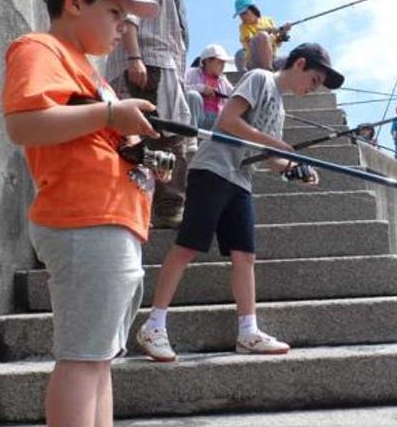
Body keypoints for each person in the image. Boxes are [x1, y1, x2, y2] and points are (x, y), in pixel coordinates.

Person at [1, 0, 161, 426]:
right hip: (85, 222)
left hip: (113, 223)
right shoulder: (39, 48)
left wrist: (140, 152)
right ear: (74, 2)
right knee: (81, 358)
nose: (123, 27)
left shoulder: (92, 75)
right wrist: (111, 114)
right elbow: (24, 123)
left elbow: (93, 135)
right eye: (115, 12)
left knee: (99, 358)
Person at [136, 43, 345, 362]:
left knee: (244, 255)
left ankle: (248, 332)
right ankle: (153, 325)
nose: (312, 88)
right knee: (188, 247)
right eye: (314, 80)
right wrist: (276, 144)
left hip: (240, 180)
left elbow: (272, 160)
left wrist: (295, 171)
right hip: (212, 170)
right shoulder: (260, 78)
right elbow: (229, 121)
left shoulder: (281, 107)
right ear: (299, 64)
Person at [105, 0, 209, 229]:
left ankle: (161, 205)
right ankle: (167, 207)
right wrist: (134, 58)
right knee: (162, 135)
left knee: (166, 135)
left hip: (163, 67)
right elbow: (129, 16)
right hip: (148, 64)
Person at [233, 0, 291, 71]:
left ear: (253, 9)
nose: (242, 17)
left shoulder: (269, 20)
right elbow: (250, 42)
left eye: (244, 13)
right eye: (240, 15)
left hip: (272, 59)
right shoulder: (243, 27)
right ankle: (268, 72)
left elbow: (277, 44)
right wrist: (268, 31)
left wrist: (283, 32)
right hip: (254, 62)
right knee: (263, 35)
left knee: (296, 59)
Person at [184, 44, 235, 129]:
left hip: (217, 119)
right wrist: (202, 89)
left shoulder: (223, 80)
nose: (223, 66)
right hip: (199, 116)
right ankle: (191, 135)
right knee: (192, 95)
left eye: (223, 63)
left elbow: (234, 94)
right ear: (208, 61)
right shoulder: (191, 73)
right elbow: (180, 89)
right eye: (220, 62)